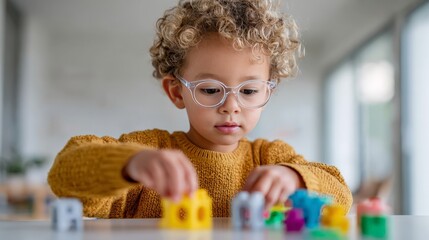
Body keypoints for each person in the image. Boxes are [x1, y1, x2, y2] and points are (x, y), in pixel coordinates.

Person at [48, 0, 352, 218]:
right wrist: (130, 165)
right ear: (177, 92)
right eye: (210, 90)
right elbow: (64, 174)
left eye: (248, 91)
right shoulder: (150, 150)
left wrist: (295, 179)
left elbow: (341, 193)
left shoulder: (269, 157)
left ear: (268, 89)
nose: (231, 107)